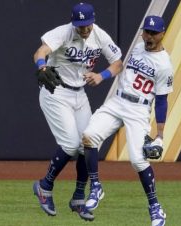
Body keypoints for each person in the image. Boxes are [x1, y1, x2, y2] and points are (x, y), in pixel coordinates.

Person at [32, 2, 123, 221]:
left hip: (79, 94)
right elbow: (40, 52)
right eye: (80, 25)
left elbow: (118, 63)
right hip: (56, 91)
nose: (83, 29)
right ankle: (45, 186)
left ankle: (78, 197)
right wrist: (42, 67)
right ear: (74, 22)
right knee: (71, 144)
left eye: (87, 25)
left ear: (93, 21)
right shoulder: (63, 32)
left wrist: (102, 76)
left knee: (88, 143)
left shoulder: (99, 35)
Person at [83, 15, 173, 226]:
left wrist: (159, 135)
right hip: (118, 102)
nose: (149, 36)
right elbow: (121, 66)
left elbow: (161, 101)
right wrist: (103, 76)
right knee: (88, 136)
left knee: (138, 160)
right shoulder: (139, 47)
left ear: (162, 33)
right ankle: (96, 187)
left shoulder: (164, 65)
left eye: (153, 33)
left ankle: (156, 208)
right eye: (146, 32)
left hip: (138, 109)